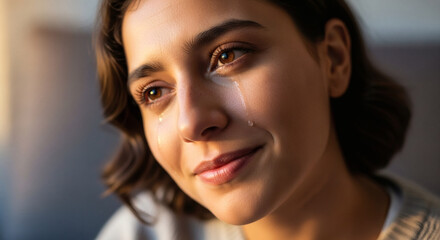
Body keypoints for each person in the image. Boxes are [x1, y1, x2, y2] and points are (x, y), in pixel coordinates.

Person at [94, 0, 440, 239]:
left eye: (228, 55)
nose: (191, 122)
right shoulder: (146, 231)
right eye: (154, 92)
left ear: (333, 59)